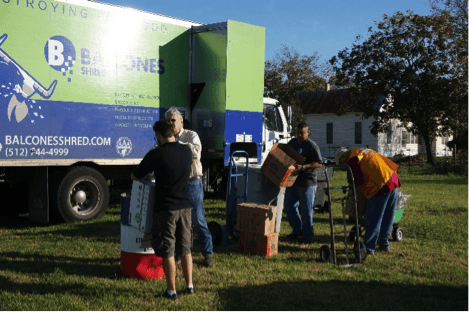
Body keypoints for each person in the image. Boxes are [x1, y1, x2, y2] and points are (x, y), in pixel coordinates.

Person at [131, 119, 194, 300]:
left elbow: (136, 175)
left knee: (168, 250)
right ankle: (189, 285)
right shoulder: (186, 150)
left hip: (166, 209)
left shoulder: (156, 154)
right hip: (186, 206)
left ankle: (171, 290)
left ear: (159, 135)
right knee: (186, 248)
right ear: (173, 133)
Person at [165, 107, 215, 267]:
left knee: (197, 219)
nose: (171, 124)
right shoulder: (168, 138)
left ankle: (208, 254)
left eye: (173, 120)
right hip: (177, 183)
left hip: (193, 182)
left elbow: (195, 153)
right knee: (179, 221)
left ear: (181, 121)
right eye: (168, 121)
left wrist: (176, 143)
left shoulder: (191, 136)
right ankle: (180, 255)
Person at [335, 147, 401, 255]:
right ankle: (384, 245)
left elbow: (358, 184)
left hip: (380, 185)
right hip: (393, 180)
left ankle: (369, 248)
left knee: (373, 218)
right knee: (388, 217)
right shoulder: (362, 151)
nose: (344, 166)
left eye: (341, 163)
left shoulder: (352, 159)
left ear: (343, 158)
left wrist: (358, 204)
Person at [284, 122, 323, 244]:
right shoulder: (292, 143)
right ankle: (297, 230)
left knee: (306, 211)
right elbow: (285, 155)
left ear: (308, 132)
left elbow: (319, 163)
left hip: (307, 182)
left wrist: (304, 167)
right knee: (289, 207)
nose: (300, 135)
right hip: (292, 181)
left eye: (303, 133)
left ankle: (307, 236)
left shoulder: (311, 146)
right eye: (298, 133)